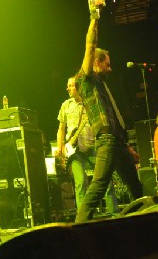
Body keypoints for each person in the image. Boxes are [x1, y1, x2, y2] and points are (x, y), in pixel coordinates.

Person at [73, 0, 143, 223]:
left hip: (117, 141)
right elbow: (90, 47)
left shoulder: (101, 85)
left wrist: (127, 145)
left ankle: (144, 223)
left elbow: (114, 117)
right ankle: (77, 231)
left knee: (136, 189)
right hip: (107, 140)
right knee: (98, 187)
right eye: (108, 64)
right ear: (97, 62)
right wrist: (94, 16)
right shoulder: (86, 79)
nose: (111, 68)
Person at [56, 77, 119, 216]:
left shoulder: (89, 103)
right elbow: (61, 129)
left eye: (71, 86)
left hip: (93, 147)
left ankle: (115, 214)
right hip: (75, 151)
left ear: (78, 87)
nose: (68, 88)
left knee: (106, 181)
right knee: (81, 183)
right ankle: (84, 217)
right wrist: (60, 147)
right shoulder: (65, 105)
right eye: (67, 86)